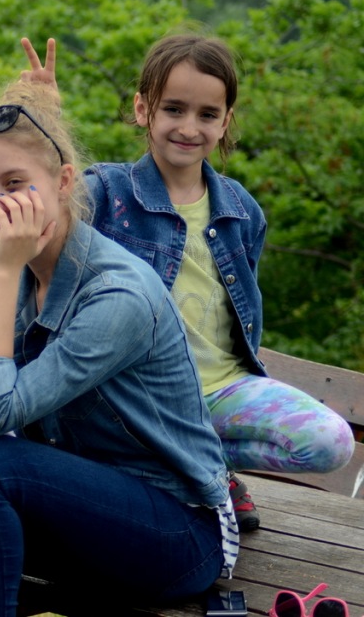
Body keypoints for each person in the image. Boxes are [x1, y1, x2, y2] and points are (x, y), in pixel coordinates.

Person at [0, 77, 239, 617]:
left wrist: (3, 269)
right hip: (77, 513)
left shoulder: (117, 295)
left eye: (15, 183)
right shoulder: (22, 273)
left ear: (62, 181)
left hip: (175, 534)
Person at [55, 33, 355, 532]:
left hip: (220, 392)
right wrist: (44, 124)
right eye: (174, 109)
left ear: (225, 121)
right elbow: (41, 222)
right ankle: (192, 473)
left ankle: (201, 466)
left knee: (331, 443)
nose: (189, 127)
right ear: (142, 109)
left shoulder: (242, 211)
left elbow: (241, 316)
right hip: (140, 401)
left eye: (207, 114)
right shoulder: (106, 192)